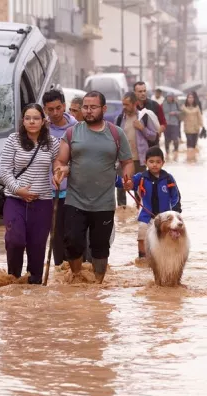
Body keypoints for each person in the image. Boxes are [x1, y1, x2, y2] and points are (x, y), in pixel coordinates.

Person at [53, 91, 134, 283]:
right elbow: (60, 160)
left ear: (103, 109)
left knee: (100, 247)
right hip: (75, 199)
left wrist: (128, 178)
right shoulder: (72, 132)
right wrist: (59, 171)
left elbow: (127, 161)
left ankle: (98, 284)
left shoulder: (116, 133)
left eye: (93, 107)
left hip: (104, 202)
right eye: (85, 107)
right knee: (72, 242)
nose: (88, 111)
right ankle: (77, 277)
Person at [0, 103, 60, 284]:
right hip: (15, 200)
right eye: (28, 118)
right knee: (15, 240)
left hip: (43, 202)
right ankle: (14, 279)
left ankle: (34, 286)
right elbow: (5, 171)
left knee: (37, 247)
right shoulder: (13, 140)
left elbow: (60, 163)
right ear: (23, 121)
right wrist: (18, 190)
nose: (32, 122)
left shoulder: (52, 143)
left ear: (43, 121)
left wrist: (58, 174)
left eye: (36, 118)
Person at [119, 146, 181, 263]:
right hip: (146, 216)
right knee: (142, 234)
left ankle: (167, 259)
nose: (154, 165)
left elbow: (175, 196)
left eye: (158, 162)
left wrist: (173, 212)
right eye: (151, 162)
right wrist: (127, 183)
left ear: (163, 163)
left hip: (165, 217)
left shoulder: (168, 178)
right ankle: (142, 257)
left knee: (167, 237)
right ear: (145, 162)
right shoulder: (141, 177)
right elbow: (130, 183)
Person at [42, 89, 78, 267]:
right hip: (49, 193)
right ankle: (60, 271)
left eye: (58, 108)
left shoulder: (77, 128)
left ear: (64, 106)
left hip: (73, 192)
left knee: (73, 236)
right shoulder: (42, 130)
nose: (55, 113)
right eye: (50, 109)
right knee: (55, 236)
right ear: (45, 110)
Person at [115, 91, 157, 207]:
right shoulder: (119, 119)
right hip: (123, 159)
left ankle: (140, 212)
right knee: (121, 188)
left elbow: (153, 136)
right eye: (123, 104)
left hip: (140, 159)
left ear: (135, 104)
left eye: (127, 104)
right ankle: (122, 215)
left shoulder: (144, 117)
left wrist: (142, 128)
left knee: (140, 189)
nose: (124, 107)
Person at [133, 81, 167, 147]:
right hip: (137, 145)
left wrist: (158, 133)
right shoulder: (132, 107)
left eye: (144, 91)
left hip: (152, 144)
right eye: (140, 91)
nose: (143, 93)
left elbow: (163, 123)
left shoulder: (155, 105)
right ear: (134, 93)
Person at [182, 91, 204, 161]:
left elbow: (200, 117)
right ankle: (189, 159)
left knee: (194, 144)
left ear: (194, 99)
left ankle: (193, 159)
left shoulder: (197, 107)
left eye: (192, 98)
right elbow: (181, 118)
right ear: (187, 99)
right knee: (189, 143)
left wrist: (202, 126)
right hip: (187, 128)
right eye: (189, 98)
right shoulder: (183, 107)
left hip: (196, 128)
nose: (190, 99)